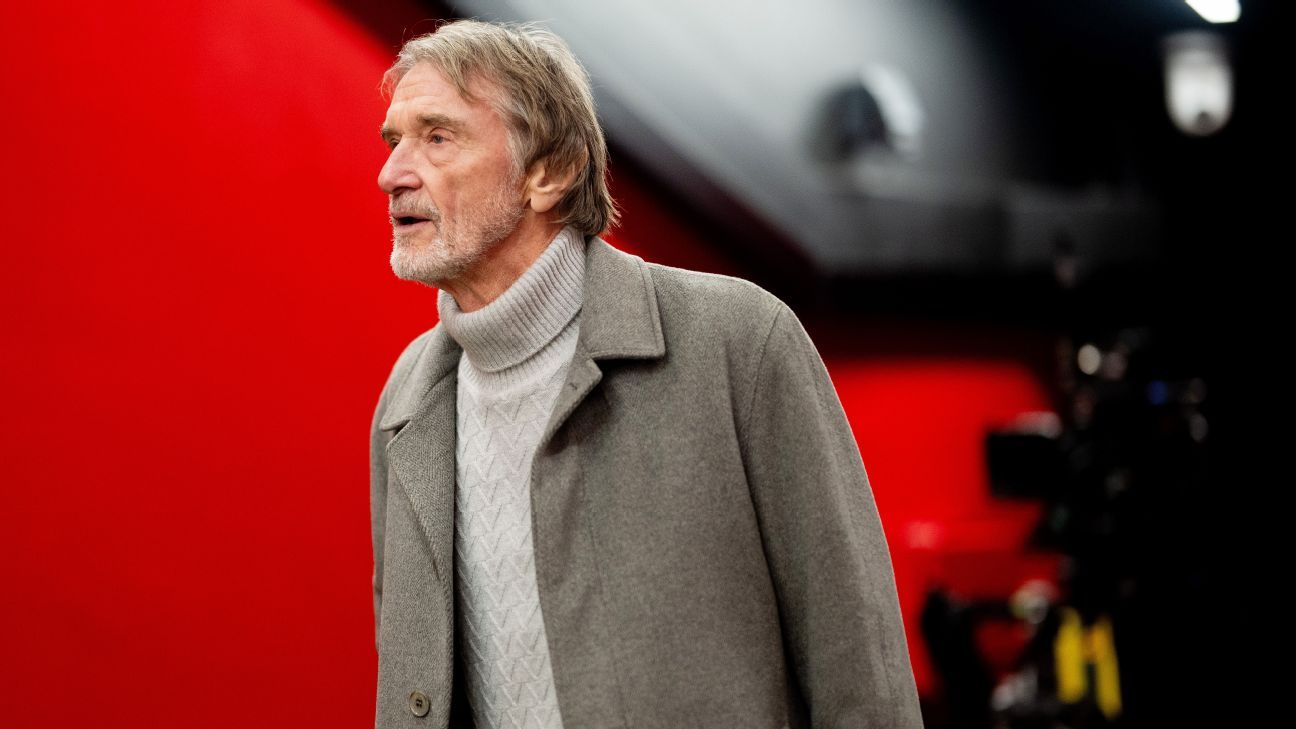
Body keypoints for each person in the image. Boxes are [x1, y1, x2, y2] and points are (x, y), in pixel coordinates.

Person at [369, 19, 923, 729]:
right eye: (394, 140)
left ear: (550, 172)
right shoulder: (406, 401)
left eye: (438, 137)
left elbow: (859, 663)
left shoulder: (738, 342)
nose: (392, 173)